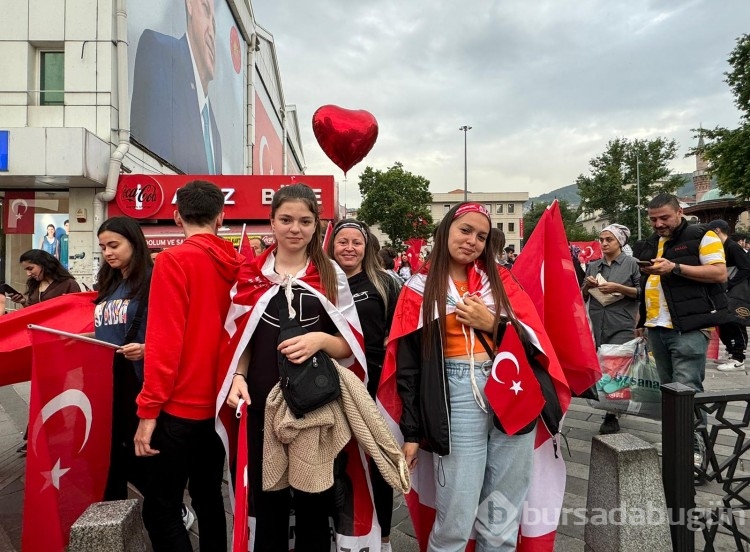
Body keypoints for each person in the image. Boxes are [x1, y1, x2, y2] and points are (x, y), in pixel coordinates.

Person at [391, 203, 561, 550]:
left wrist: (492, 324)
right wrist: (411, 431)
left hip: (509, 389)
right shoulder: (417, 289)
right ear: (446, 231)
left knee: (502, 516)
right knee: (455, 514)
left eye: (481, 236)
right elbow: (407, 369)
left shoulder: (500, 282)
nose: (472, 241)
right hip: (454, 395)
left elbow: (534, 343)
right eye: (465, 230)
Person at [225, 184, 368, 551]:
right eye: (286, 219)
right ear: (271, 222)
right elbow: (241, 340)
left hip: (314, 408)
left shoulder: (331, 275)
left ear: (316, 225)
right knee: (267, 499)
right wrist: (237, 376)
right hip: (260, 404)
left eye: (305, 221)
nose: (295, 228)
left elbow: (349, 347)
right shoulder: (250, 274)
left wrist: (320, 340)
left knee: (314, 504)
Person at [134, 180, 243, 551]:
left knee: (161, 510)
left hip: (179, 407)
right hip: (221, 405)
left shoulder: (174, 260)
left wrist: (148, 412)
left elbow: (166, 343)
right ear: (221, 217)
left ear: (177, 215)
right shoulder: (240, 264)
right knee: (209, 497)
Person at [635, 193, 727, 469]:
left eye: (664, 217)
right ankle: (678, 445)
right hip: (656, 327)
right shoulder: (650, 244)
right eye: (653, 219)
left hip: (688, 327)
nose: (658, 224)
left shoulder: (702, 235)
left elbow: (719, 273)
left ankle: (694, 452)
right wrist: (641, 322)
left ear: (679, 212)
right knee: (669, 391)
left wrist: (674, 267)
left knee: (687, 391)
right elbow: (648, 286)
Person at [327, 219, 401, 551]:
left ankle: (382, 536)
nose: (349, 248)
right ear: (332, 245)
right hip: (330, 382)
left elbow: (400, 330)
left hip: (372, 382)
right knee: (334, 460)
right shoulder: (320, 282)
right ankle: (340, 531)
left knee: (376, 460)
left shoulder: (385, 283)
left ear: (367, 246)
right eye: (343, 241)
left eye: (356, 242)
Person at [131, 0, 222, 175]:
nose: (211, 33)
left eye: (215, 26)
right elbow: (151, 163)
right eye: (205, 10)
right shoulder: (160, 52)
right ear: (190, 5)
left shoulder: (214, 132)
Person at [11, 249, 80, 453]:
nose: (28, 273)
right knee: (40, 392)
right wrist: (23, 302)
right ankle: (36, 434)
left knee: (56, 391)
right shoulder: (33, 285)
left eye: (30, 268)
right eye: (26, 269)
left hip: (61, 347)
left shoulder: (68, 285)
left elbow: (75, 313)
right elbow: (32, 313)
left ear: (44, 263)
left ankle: (53, 434)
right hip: (39, 347)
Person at [581, 224, 641, 434]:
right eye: (602, 239)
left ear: (620, 242)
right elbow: (583, 296)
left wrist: (620, 288)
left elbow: (641, 293)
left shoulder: (632, 264)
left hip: (622, 322)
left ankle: (612, 414)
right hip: (598, 322)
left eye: (609, 240)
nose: (604, 243)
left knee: (616, 368)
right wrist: (588, 286)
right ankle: (608, 403)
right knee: (604, 368)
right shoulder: (593, 266)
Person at [708, 220, 750, 371]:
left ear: (717, 230)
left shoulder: (732, 247)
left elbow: (746, 268)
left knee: (735, 322)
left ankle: (739, 358)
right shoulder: (721, 247)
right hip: (725, 292)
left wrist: (730, 284)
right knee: (724, 322)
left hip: (736, 293)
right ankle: (732, 353)